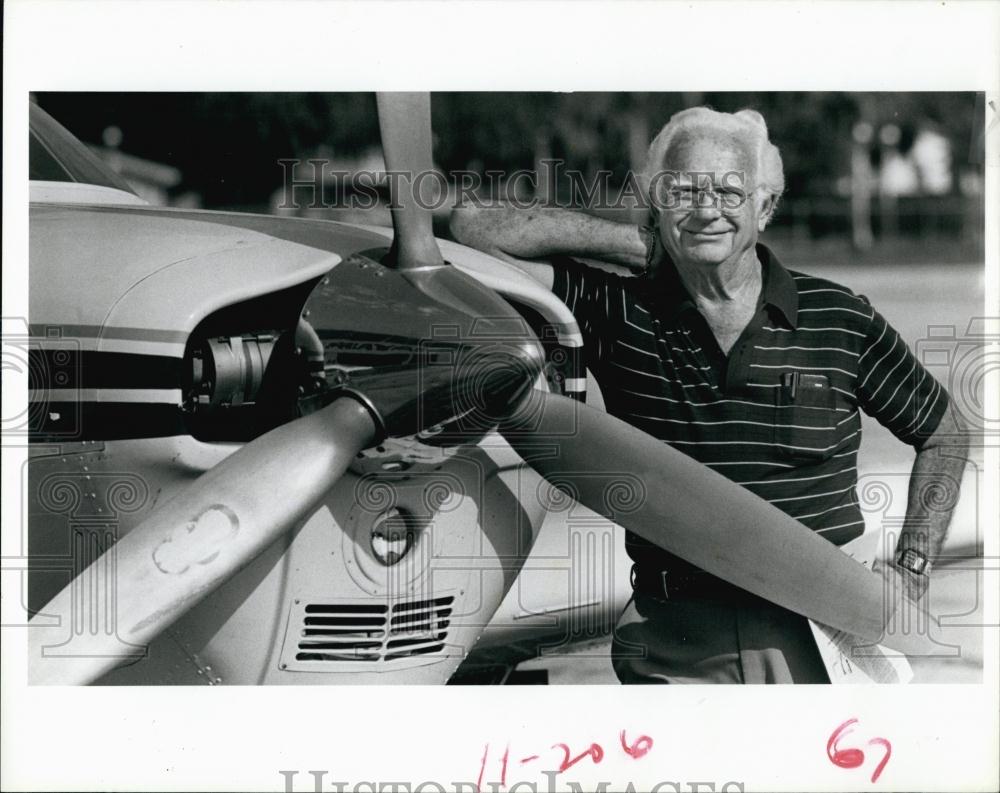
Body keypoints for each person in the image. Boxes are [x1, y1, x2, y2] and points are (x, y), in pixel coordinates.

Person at [450, 106, 970, 684]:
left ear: (765, 207)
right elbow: (474, 227)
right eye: (682, 192)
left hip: (825, 638)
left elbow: (944, 433)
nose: (705, 209)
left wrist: (914, 568)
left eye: (729, 191)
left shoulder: (840, 317)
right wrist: (646, 244)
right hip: (675, 641)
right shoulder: (619, 311)